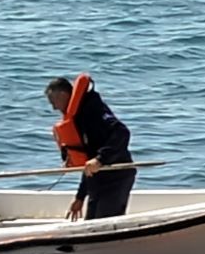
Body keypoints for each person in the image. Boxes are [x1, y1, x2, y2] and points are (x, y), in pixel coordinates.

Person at [46, 74, 137, 221]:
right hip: (97, 180)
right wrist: (80, 197)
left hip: (116, 176)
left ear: (63, 94)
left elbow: (122, 132)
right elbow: (88, 161)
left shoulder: (93, 109)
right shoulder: (77, 117)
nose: (54, 107)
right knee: (90, 223)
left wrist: (100, 159)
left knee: (103, 225)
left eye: (53, 101)